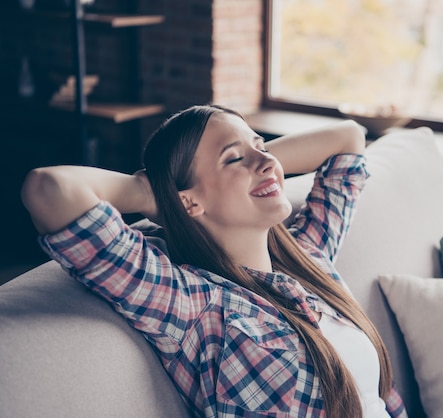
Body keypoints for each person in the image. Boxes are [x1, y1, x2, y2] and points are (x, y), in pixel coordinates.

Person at [21, 104, 407, 418]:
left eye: (263, 147)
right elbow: (49, 189)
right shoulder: (191, 306)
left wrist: (254, 160)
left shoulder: (307, 256)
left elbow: (348, 138)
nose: (266, 161)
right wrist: (156, 193)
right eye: (234, 158)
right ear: (189, 200)